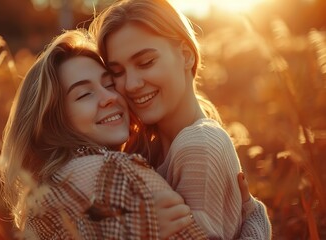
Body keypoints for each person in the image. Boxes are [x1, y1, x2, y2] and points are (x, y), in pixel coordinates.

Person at [0, 29, 209, 239]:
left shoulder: (43, 193)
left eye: (109, 84)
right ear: (53, 119)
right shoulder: (116, 171)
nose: (109, 97)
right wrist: (244, 214)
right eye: (84, 95)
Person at [89, 0, 272, 239]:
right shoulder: (151, 149)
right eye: (118, 72)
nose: (131, 84)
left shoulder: (197, 144)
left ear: (186, 56)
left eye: (146, 62)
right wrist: (254, 217)